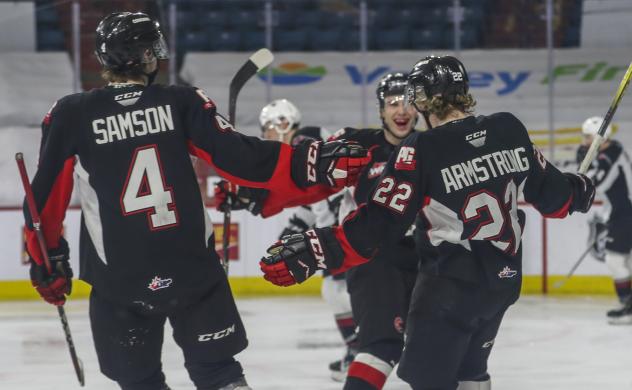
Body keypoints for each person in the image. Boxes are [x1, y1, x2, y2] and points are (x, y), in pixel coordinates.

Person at [22, 12, 369, 390]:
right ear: (147, 56)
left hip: (119, 278)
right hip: (192, 268)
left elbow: (44, 203)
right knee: (219, 372)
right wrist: (311, 163)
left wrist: (48, 261)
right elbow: (243, 159)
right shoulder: (181, 102)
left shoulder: (71, 114)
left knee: (139, 382)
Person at [259, 55, 596, 390]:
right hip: (502, 284)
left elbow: (381, 222)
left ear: (422, 99)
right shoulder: (509, 128)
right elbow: (558, 201)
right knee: (472, 373)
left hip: (448, 288)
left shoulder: (421, 148)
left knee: (425, 381)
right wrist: (578, 188)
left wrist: (320, 248)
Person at [216, 98, 359, 381]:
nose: (266, 137)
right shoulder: (298, 154)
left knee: (349, 292)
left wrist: (247, 192)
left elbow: (311, 188)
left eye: (268, 130)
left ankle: (368, 348)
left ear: (281, 124)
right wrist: (286, 234)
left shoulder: (308, 140)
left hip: (350, 229)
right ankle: (360, 349)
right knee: (336, 291)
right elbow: (309, 203)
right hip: (339, 231)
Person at [327, 72, 420, 390]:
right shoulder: (357, 145)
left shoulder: (430, 146)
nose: (402, 110)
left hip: (424, 261)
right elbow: (305, 172)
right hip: (374, 262)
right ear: (381, 110)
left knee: (437, 353)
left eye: (408, 102)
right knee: (380, 347)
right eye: (393, 103)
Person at [577, 116, 632, 324]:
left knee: (615, 260)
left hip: (625, 213)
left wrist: (584, 162)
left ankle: (627, 307)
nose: (584, 140)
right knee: (624, 260)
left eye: (588, 136)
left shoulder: (611, 154)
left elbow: (597, 183)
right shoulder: (610, 150)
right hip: (621, 212)